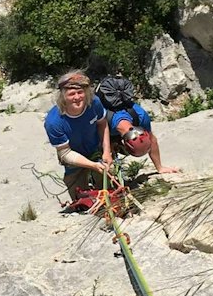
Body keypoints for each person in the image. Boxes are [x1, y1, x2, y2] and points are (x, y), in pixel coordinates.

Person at [44, 70, 113, 201]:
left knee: (109, 189)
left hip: (95, 150)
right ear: (63, 96)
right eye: (71, 94)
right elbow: (65, 153)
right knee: (81, 200)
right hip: (73, 158)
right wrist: (92, 165)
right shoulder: (53, 122)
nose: (77, 97)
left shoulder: (94, 103)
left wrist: (107, 152)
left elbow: (102, 124)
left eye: (80, 92)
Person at [107, 98, 180, 175]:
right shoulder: (104, 122)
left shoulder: (141, 116)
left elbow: (152, 140)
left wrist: (159, 167)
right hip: (100, 126)